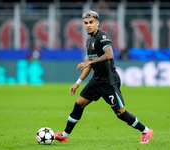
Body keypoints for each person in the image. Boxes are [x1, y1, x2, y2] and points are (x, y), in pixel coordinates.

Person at [55, 10, 154, 144]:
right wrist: (78, 82)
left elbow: (109, 55)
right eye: (85, 23)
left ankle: (146, 131)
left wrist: (89, 62)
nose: (88, 25)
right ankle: (65, 136)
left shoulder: (102, 36)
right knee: (79, 104)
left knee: (120, 113)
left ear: (97, 23)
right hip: (96, 80)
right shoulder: (89, 41)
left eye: (91, 22)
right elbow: (89, 66)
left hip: (109, 81)